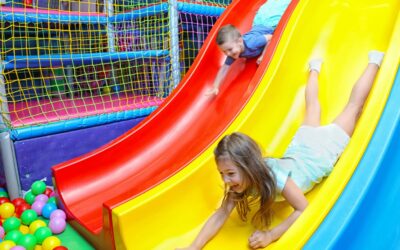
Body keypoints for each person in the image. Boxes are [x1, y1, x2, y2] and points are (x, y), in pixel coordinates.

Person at [180, 50, 385, 249]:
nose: (226, 180)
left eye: (230, 173)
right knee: (312, 106)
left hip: (319, 153)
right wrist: (194, 246)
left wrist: (271, 235)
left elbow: (303, 209)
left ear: (249, 166)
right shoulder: (238, 184)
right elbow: (221, 214)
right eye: (223, 174)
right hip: (300, 149)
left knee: (353, 108)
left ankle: (374, 61)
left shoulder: (274, 176)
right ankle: (314, 69)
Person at [207, 0, 292, 96]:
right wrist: (215, 86)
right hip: (258, 23)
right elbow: (224, 69)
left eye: (229, 49)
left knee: (281, 4)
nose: (228, 54)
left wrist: (263, 55)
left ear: (240, 41)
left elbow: (270, 37)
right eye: (225, 52)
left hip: (269, 21)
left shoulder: (252, 43)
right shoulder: (234, 52)